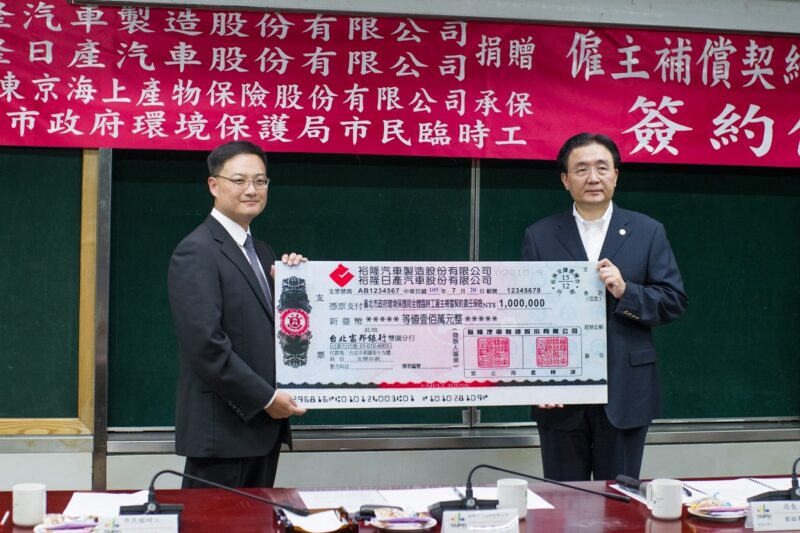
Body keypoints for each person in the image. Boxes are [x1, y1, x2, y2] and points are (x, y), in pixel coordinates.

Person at [520, 133, 688, 481]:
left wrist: (627, 291)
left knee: (620, 500)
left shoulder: (648, 231)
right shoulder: (540, 235)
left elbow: (673, 301)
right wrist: (538, 382)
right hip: (561, 394)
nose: (593, 178)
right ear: (565, 179)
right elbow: (527, 314)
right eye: (581, 169)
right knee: (566, 499)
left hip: (626, 391)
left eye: (601, 167)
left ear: (616, 175)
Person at [168, 141, 307, 488]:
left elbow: (270, 330)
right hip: (224, 433)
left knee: (257, 517)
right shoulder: (197, 250)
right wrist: (266, 399)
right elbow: (206, 345)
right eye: (239, 180)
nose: (251, 190)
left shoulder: (262, 251)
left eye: (260, 181)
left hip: (263, 429)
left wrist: (297, 288)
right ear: (214, 185)